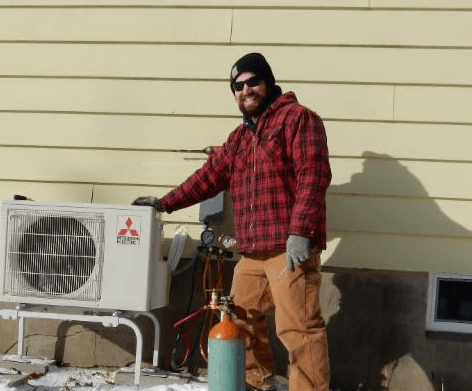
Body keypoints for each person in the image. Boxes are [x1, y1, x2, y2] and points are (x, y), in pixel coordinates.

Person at [133, 53, 331, 391]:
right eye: (238, 87)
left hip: (289, 248)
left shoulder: (297, 119)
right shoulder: (240, 139)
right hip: (253, 252)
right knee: (239, 318)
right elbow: (208, 177)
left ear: (268, 82)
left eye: (253, 81)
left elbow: (313, 175)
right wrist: (165, 203)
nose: (246, 90)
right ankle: (258, 381)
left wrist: (300, 231)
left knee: (298, 329)